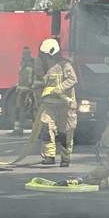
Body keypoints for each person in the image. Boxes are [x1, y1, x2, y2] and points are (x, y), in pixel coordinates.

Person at [36, 37, 78, 167]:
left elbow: (73, 80)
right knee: (46, 128)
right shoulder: (44, 67)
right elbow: (41, 83)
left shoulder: (65, 65)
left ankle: (65, 158)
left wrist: (60, 89)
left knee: (65, 132)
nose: (44, 58)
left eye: (45, 55)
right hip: (49, 105)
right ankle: (49, 156)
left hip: (65, 106)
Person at [13, 47, 36, 135]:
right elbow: (21, 76)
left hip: (29, 91)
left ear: (29, 54)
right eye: (24, 53)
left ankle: (35, 131)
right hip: (21, 90)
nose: (24, 55)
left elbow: (33, 77)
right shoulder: (22, 63)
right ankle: (18, 130)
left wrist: (31, 89)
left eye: (26, 53)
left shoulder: (32, 64)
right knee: (18, 110)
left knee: (32, 111)